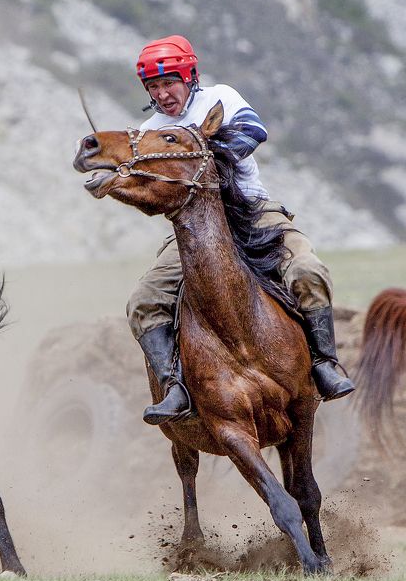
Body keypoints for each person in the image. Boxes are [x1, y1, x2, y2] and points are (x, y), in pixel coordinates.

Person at [126, 35, 354, 425]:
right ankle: (175, 387)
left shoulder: (220, 98)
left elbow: (253, 131)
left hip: (251, 210)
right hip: (193, 229)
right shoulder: (150, 130)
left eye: (169, 82)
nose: (163, 94)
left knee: (308, 270)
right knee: (144, 300)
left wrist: (196, 154)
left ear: (189, 77)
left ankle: (324, 364)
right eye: (154, 87)